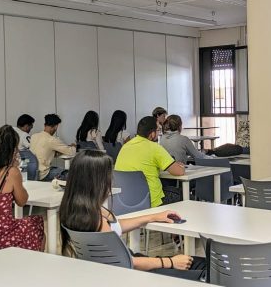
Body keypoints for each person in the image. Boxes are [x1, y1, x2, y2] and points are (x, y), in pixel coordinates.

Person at [60, 150, 206, 281]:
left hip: (121, 271)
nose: (111, 181)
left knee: (200, 264)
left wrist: (152, 217)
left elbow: (115, 227)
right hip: (136, 273)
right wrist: (171, 261)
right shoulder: (96, 219)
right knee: (207, 270)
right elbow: (129, 262)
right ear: (97, 181)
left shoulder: (74, 210)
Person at [114, 116, 184, 207]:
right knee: (185, 195)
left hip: (127, 202)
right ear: (152, 134)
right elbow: (179, 172)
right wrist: (180, 166)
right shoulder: (154, 148)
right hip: (151, 202)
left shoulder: (125, 147)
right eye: (158, 130)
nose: (159, 133)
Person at [30, 114, 76, 181]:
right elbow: (72, 152)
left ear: (44, 125)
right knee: (72, 174)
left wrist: (54, 152)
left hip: (31, 172)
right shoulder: (51, 139)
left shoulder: (34, 136)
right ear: (56, 126)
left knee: (56, 168)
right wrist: (74, 146)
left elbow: (42, 152)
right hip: (43, 174)